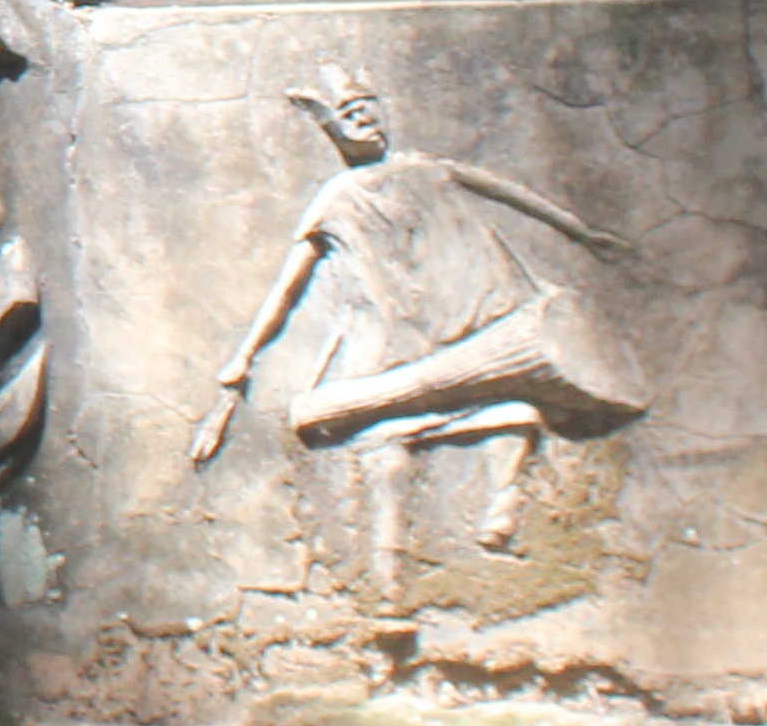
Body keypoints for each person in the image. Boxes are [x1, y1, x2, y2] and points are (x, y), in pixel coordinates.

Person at [191, 68, 645, 586]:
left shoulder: (425, 168)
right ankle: (389, 579)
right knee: (387, 448)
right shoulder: (335, 200)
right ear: (332, 131)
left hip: (465, 328)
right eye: (349, 115)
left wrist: (580, 232)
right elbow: (287, 289)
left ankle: (502, 513)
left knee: (516, 413)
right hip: (394, 345)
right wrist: (243, 359)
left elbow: (507, 193)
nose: (365, 119)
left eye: (369, 107)